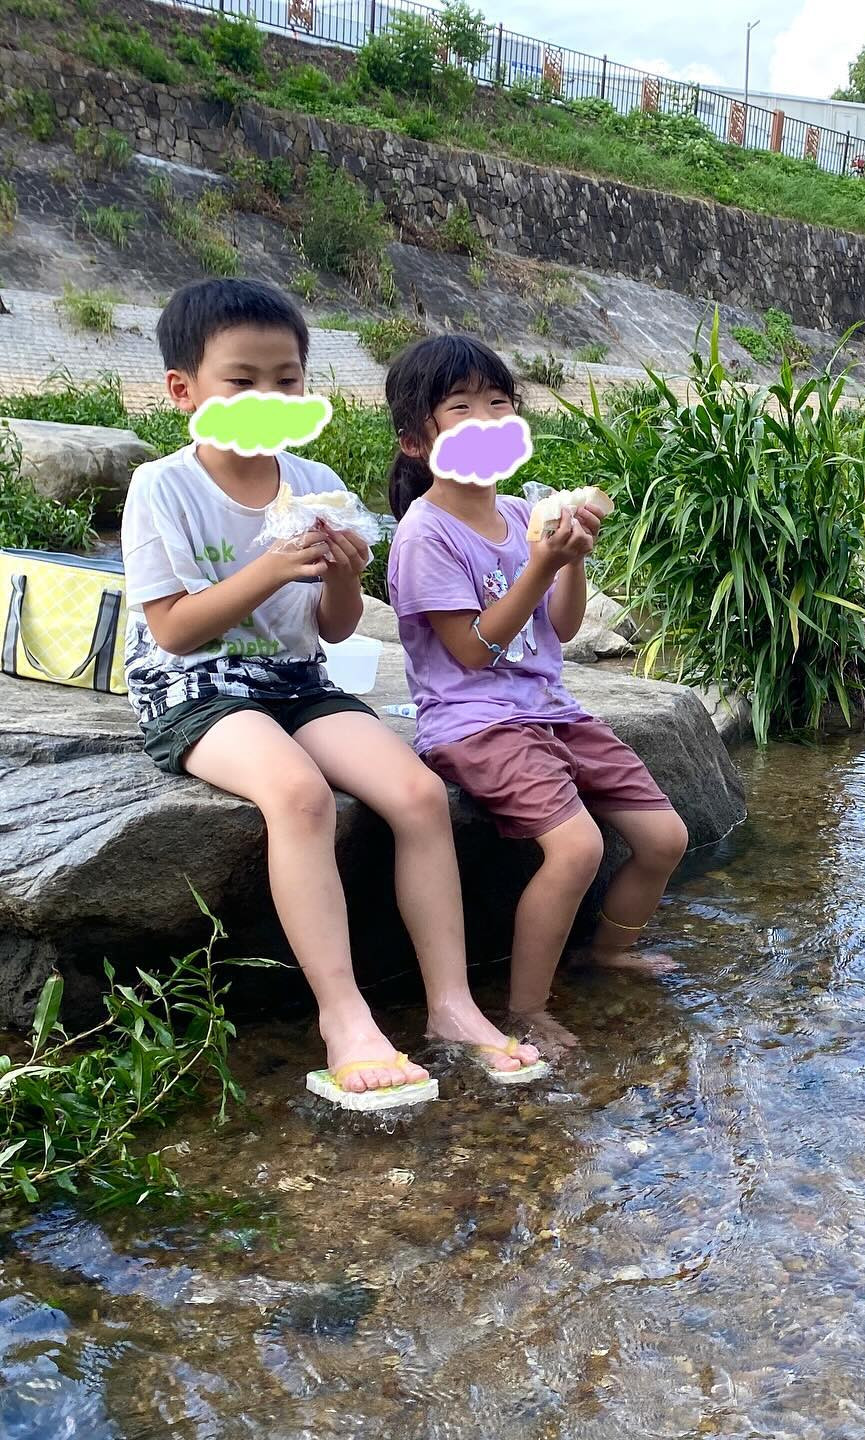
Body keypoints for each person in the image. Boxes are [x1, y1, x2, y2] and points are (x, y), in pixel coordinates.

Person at [121, 279, 542, 1098]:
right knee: (300, 795)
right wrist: (269, 568)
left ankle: (451, 1004)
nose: (268, 399)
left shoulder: (312, 479)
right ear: (185, 390)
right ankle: (343, 1013)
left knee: (418, 794)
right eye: (242, 382)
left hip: (297, 680)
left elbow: (337, 627)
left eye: (287, 381)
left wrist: (345, 574)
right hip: (194, 689)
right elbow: (173, 631)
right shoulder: (162, 486)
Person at [383, 334, 690, 1054]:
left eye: (500, 404)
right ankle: (527, 1008)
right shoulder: (425, 534)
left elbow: (563, 624)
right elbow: (472, 649)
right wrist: (538, 564)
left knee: (664, 836)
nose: (488, 420)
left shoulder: (525, 511)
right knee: (577, 847)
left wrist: (569, 559)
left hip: (551, 709)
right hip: (474, 721)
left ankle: (608, 951)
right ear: (416, 440)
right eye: (462, 407)